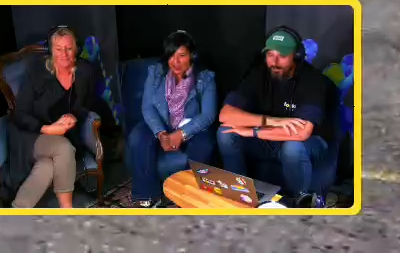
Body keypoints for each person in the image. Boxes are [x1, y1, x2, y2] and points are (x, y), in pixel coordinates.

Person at [217, 27, 338, 208]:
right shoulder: (259, 74)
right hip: (270, 139)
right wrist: (271, 121)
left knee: (292, 148)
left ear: (296, 56)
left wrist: (252, 132)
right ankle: (238, 194)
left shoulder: (313, 81)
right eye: (270, 55)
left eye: (282, 55)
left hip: (311, 144)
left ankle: (300, 202)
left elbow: (301, 133)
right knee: (226, 132)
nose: (274, 62)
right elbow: (225, 115)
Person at [4, 26, 98, 209]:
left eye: (68, 48)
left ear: (76, 49)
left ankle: (18, 209)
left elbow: (87, 103)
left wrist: (73, 115)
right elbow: (19, 114)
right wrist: (47, 129)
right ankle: (67, 210)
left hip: (63, 135)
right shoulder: (36, 74)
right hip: (30, 135)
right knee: (63, 148)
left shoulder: (85, 71)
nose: (64, 54)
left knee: (46, 166)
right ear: (51, 50)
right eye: (58, 48)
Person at [128, 30, 219, 207]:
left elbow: (208, 115)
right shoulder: (156, 73)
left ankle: (188, 196)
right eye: (171, 55)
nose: (175, 62)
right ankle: (146, 195)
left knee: (204, 145)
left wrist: (181, 134)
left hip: (192, 127)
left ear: (192, 55)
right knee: (137, 136)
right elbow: (148, 107)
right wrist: (161, 133)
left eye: (182, 55)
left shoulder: (205, 78)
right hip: (162, 123)